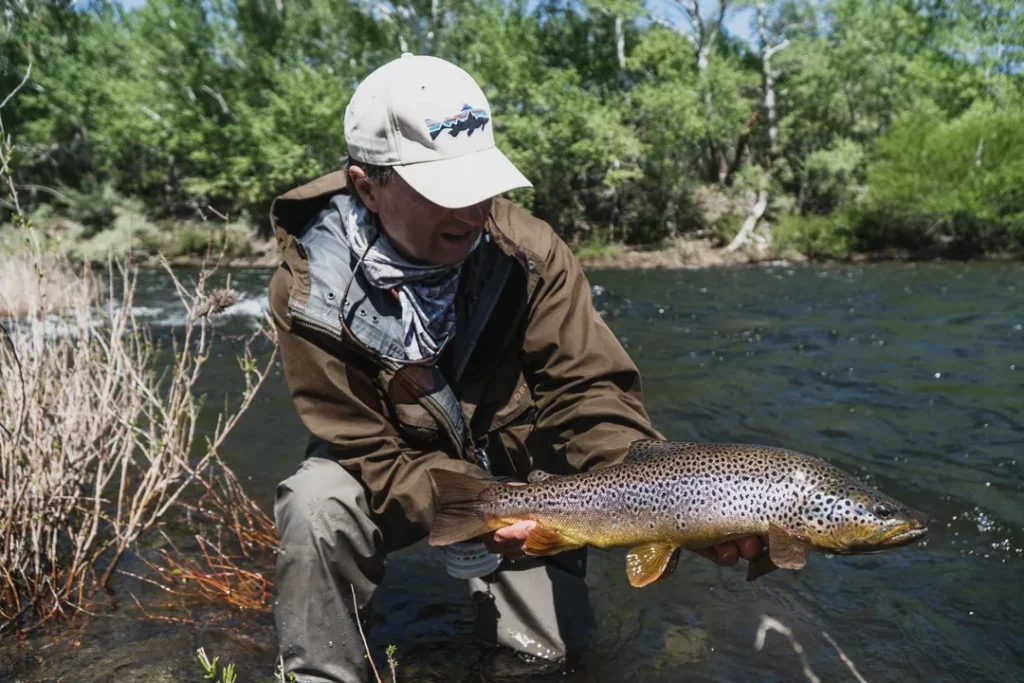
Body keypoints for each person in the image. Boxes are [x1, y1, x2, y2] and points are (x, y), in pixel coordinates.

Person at [266, 53, 766, 683]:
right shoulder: (311, 293)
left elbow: (588, 395)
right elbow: (363, 448)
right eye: (445, 192)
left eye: (482, 185)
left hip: (523, 477)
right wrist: (473, 503)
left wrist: (660, 490)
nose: (473, 213)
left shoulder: (529, 253)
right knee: (317, 502)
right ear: (369, 187)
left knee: (549, 659)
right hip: (390, 475)